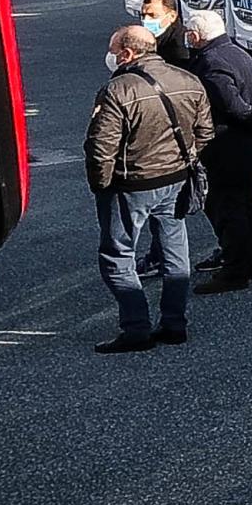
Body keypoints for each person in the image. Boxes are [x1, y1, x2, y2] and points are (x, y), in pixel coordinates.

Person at [85, 23, 212, 353]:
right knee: (175, 251)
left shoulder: (117, 90)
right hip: (175, 179)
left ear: (127, 54)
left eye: (114, 52)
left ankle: (135, 327)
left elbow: (101, 146)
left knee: (117, 255)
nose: (111, 57)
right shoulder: (188, 79)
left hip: (132, 184)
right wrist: (184, 161)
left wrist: (101, 185)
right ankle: (174, 323)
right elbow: (205, 132)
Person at [184, 8, 252, 291]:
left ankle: (235, 269)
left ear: (196, 35)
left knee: (227, 209)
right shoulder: (237, 51)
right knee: (247, 203)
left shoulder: (210, 62)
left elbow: (232, 106)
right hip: (246, 146)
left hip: (224, 147)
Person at [140, 0, 190, 65]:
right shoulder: (144, 38)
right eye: (143, 16)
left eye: (152, 15)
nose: (146, 20)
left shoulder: (181, 45)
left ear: (172, 16)